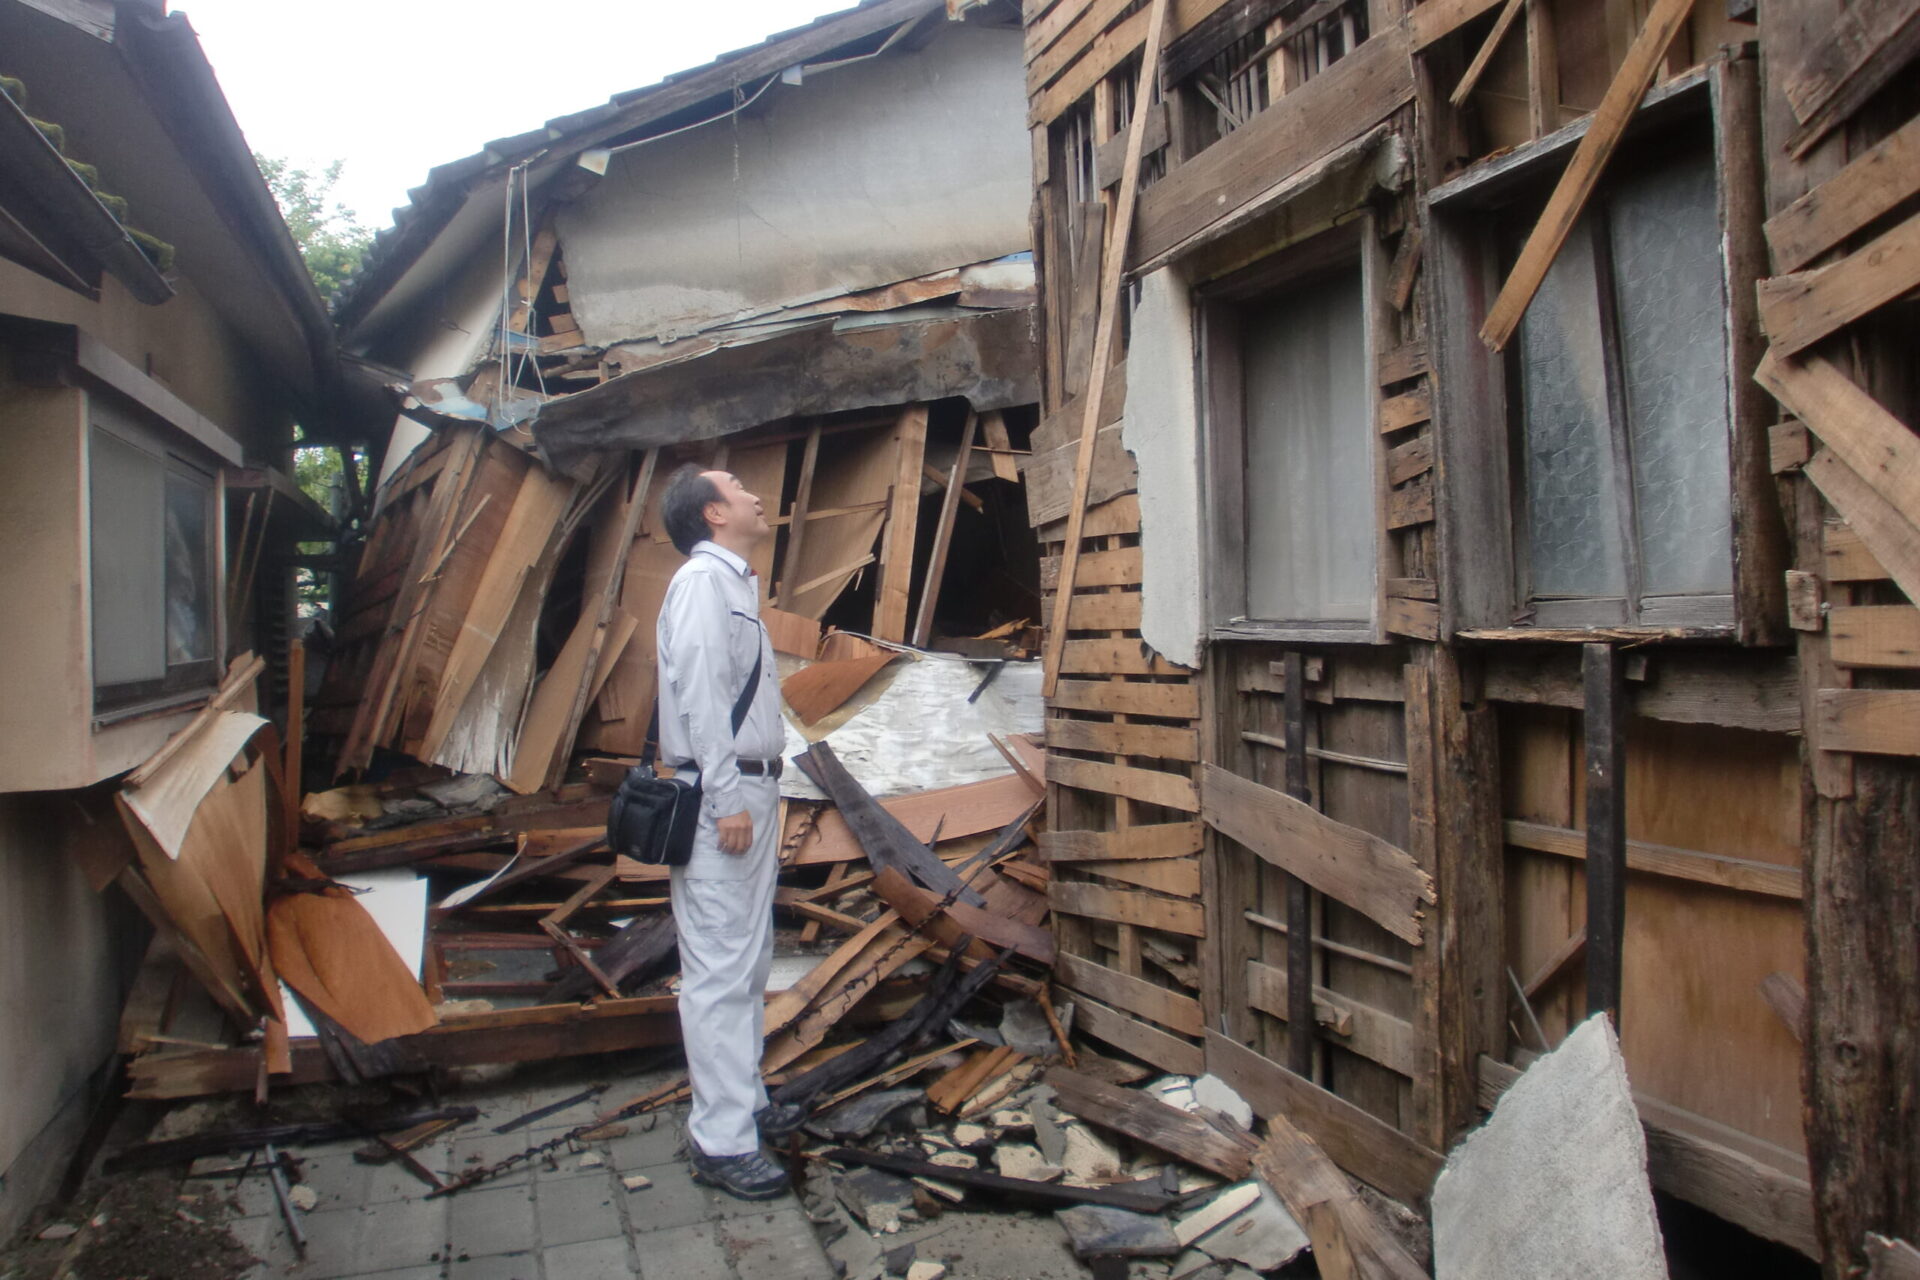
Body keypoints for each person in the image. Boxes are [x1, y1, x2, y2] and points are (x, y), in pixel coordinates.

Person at [655, 463, 806, 1200]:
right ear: (714, 513)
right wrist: (726, 801)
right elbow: (702, 695)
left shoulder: (734, 583)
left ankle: (743, 1108)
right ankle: (720, 1142)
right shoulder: (703, 584)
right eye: (740, 488)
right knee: (717, 968)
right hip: (728, 798)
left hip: (752, 787)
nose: (755, 494)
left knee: (747, 963)